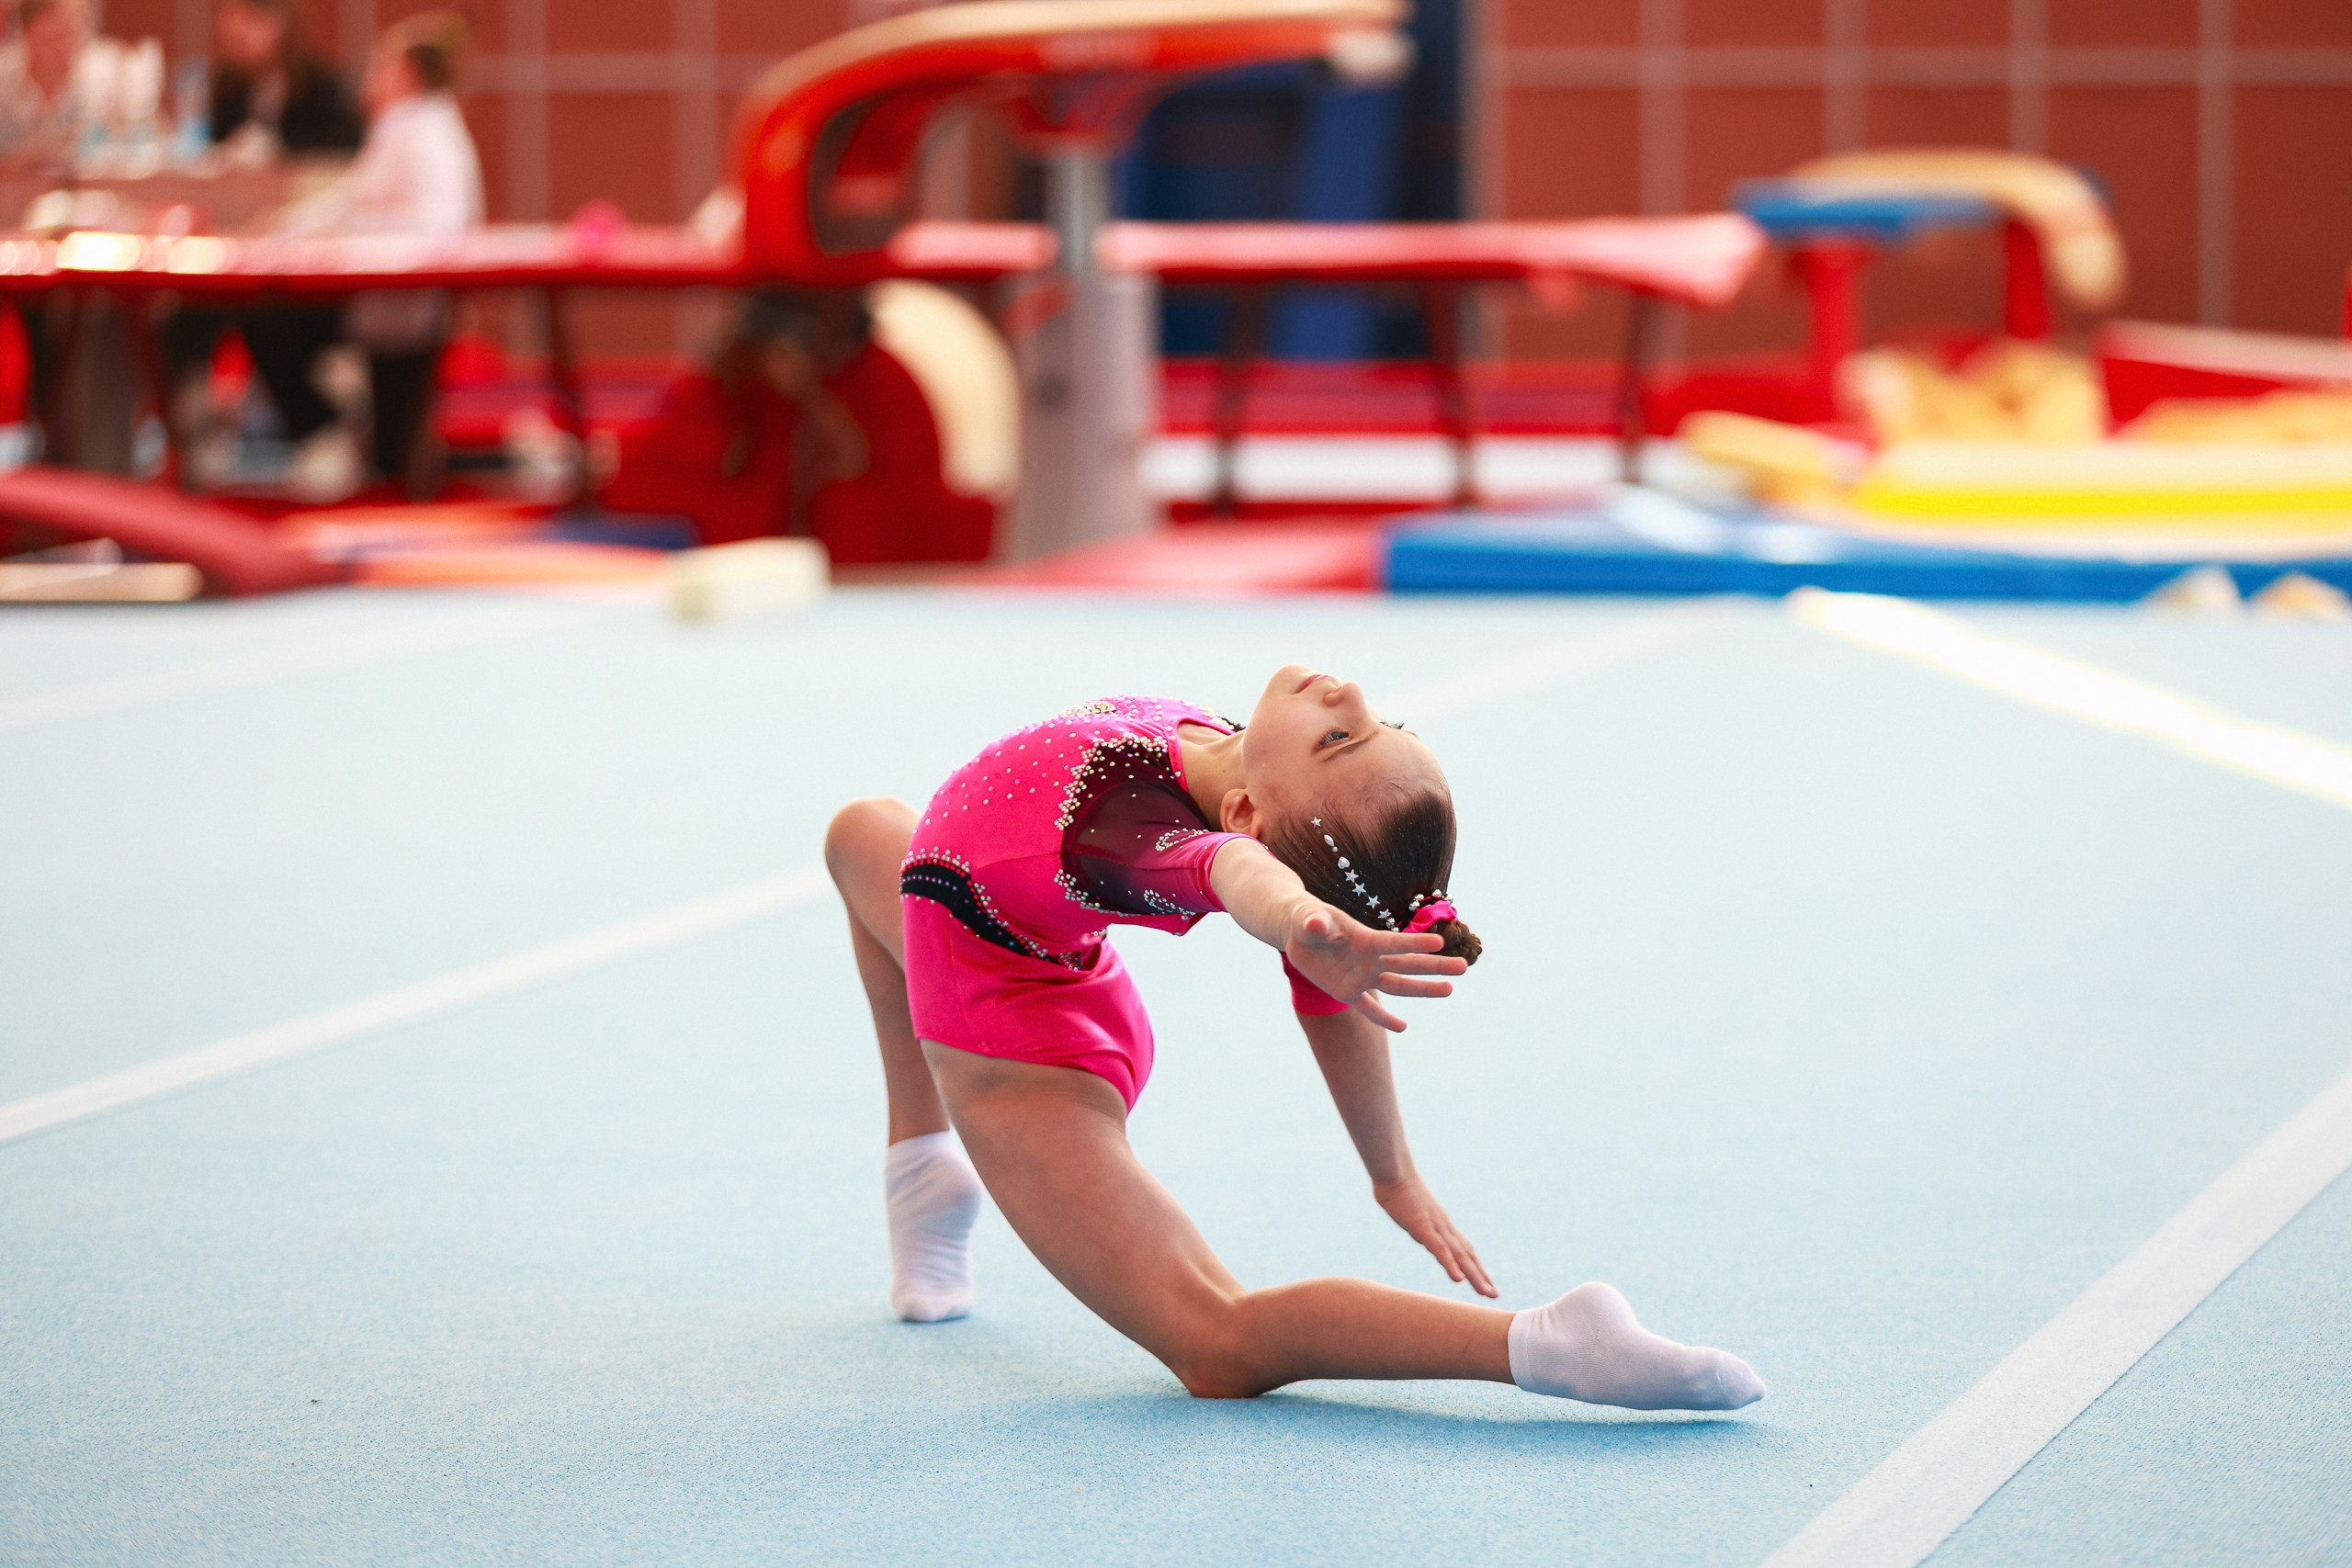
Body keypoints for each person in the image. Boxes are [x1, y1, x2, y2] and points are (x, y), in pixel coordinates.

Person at [822, 674, 1769, 1410]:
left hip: (1021, 1059)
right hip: (1002, 940)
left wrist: (1293, 921)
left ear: (1248, 814)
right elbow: (1311, 956)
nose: (1348, 695)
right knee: (862, 832)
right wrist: (1392, 1174)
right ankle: (923, 1160)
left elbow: (1240, 875)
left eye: (1338, 737)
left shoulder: (1126, 834)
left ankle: (1545, 1342)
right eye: (1380, 721)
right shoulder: (1225, 756)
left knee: (1215, 1342)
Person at [237, 10, 480, 499]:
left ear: (406, 72)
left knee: (267, 320)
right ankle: (340, 438)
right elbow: (352, 201)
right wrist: (287, 228)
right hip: (405, 298)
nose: (369, 79)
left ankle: (327, 430)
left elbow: (358, 211)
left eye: (379, 66)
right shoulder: (426, 127)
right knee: (394, 448)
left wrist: (290, 233)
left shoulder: (412, 127)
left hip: (400, 295)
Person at [596, 290, 994, 561]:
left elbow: (857, 465)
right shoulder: (721, 387)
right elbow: (647, 478)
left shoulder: (882, 384)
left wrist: (811, 395)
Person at [206, 0, 361, 159]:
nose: (233, 29)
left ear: (279, 22)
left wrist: (281, 154)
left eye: (249, 19)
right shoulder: (227, 87)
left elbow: (346, 143)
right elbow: (217, 145)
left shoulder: (316, 85)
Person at [0, 0, 112, 170]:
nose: (65, 48)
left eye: (70, 34)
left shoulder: (97, 84)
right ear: (27, 36)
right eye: (53, 38)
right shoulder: (5, 87)